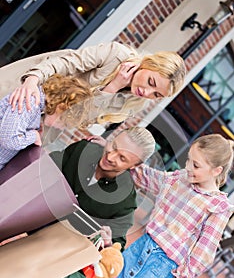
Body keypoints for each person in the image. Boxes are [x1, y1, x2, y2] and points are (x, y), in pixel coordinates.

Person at [61, 133, 234, 278]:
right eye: (189, 160)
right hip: (138, 250)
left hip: (160, 271)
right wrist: (111, 149)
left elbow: (203, 254)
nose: (188, 167)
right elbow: (143, 175)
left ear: (217, 171)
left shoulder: (219, 207)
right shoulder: (178, 179)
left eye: (196, 165)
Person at [1, 42, 186, 123]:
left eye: (156, 94)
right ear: (148, 63)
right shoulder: (117, 54)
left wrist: (113, 87)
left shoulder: (133, 102)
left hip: (40, 120)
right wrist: (32, 81)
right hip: (30, 87)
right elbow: (66, 63)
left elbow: (82, 118)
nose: (147, 92)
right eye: (151, 82)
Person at [50, 126, 156, 249]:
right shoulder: (84, 149)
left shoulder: (125, 201)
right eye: (114, 147)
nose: (110, 157)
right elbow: (46, 165)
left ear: (134, 166)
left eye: (122, 158)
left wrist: (108, 243)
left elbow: (117, 245)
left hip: (58, 246)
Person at [0, 74, 92, 170]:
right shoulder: (30, 102)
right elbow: (9, 140)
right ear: (60, 107)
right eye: (63, 123)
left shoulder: (37, 108)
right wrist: (34, 136)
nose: (60, 128)